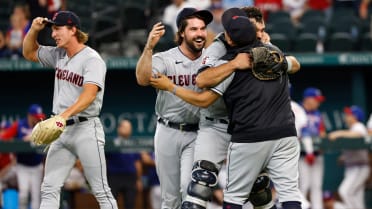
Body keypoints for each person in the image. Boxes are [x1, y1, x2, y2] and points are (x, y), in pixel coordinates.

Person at [150, 7, 302, 209]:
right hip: (217, 125)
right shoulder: (221, 51)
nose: (260, 32)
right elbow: (202, 81)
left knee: (259, 193)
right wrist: (235, 64)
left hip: (245, 128)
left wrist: (276, 57)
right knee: (200, 186)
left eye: (261, 27)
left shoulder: (266, 49)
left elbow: (295, 64)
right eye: (255, 27)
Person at [22, 10, 118, 209]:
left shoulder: (92, 59)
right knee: (49, 187)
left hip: (86, 129)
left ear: (73, 29)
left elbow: (89, 94)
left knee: (101, 190)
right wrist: (33, 30)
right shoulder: (59, 55)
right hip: (62, 130)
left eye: (58, 29)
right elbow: (29, 53)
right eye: (52, 29)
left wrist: (62, 117)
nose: (53, 34)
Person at [136, 7, 213, 208]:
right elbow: (142, 79)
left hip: (198, 131)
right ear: (181, 33)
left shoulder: (211, 59)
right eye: (194, 29)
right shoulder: (165, 58)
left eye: (203, 29)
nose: (200, 34)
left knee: (190, 189)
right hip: (167, 130)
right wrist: (149, 48)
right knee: (169, 198)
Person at [0, 104, 46, 209]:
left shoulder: (42, 125)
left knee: (35, 196)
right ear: (30, 115)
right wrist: (21, 141)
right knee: (23, 194)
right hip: (22, 166)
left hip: (37, 166)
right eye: (35, 116)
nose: (38, 118)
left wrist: (33, 137)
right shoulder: (19, 125)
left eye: (39, 116)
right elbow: (4, 138)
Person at [328, 105, 370, 209]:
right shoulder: (352, 128)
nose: (346, 116)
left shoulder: (358, 126)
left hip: (359, 166)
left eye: (349, 114)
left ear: (355, 116)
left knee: (345, 191)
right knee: (356, 196)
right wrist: (344, 157)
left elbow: (359, 135)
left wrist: (339, 133)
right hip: (353, 166)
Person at [298, 87, 326, 209]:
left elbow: (322, 132)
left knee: (317, 186)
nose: (318, 102)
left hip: (317, 154)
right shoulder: (297, 110)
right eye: (316, 99)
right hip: (301, 154)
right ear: (308, 99)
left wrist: (322, 143)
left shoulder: (318, 114)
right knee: (303, 185)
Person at [105, 119, 143, 209]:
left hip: (130, 178)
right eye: (125, 127)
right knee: (111, 204)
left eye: (129, 128)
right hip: (114, 177)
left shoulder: (134, 144)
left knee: (130, 204)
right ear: (119, 129)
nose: (127, 129)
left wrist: (139, 180)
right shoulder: (111, 144)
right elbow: (104, 161)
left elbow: (137, 163)